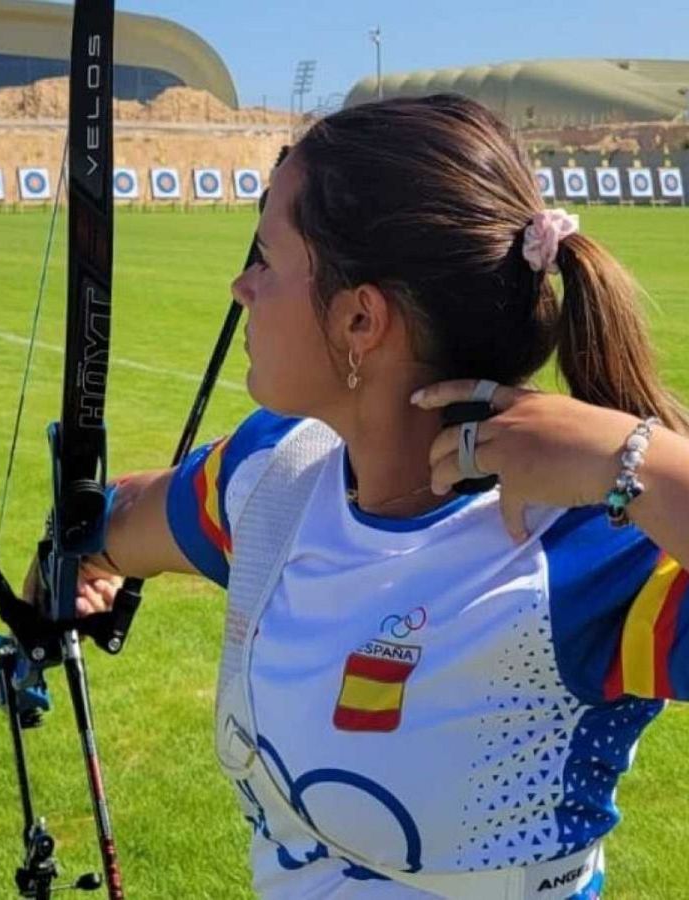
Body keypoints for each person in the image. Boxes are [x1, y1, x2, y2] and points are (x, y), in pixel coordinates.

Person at [42, 95, 689, 898]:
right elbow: (123, 518)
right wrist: (71, 557)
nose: (242, 286)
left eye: (266, 259)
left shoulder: (588, 548)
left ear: (360, 319)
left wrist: (636, 459)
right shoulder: (273, 473)